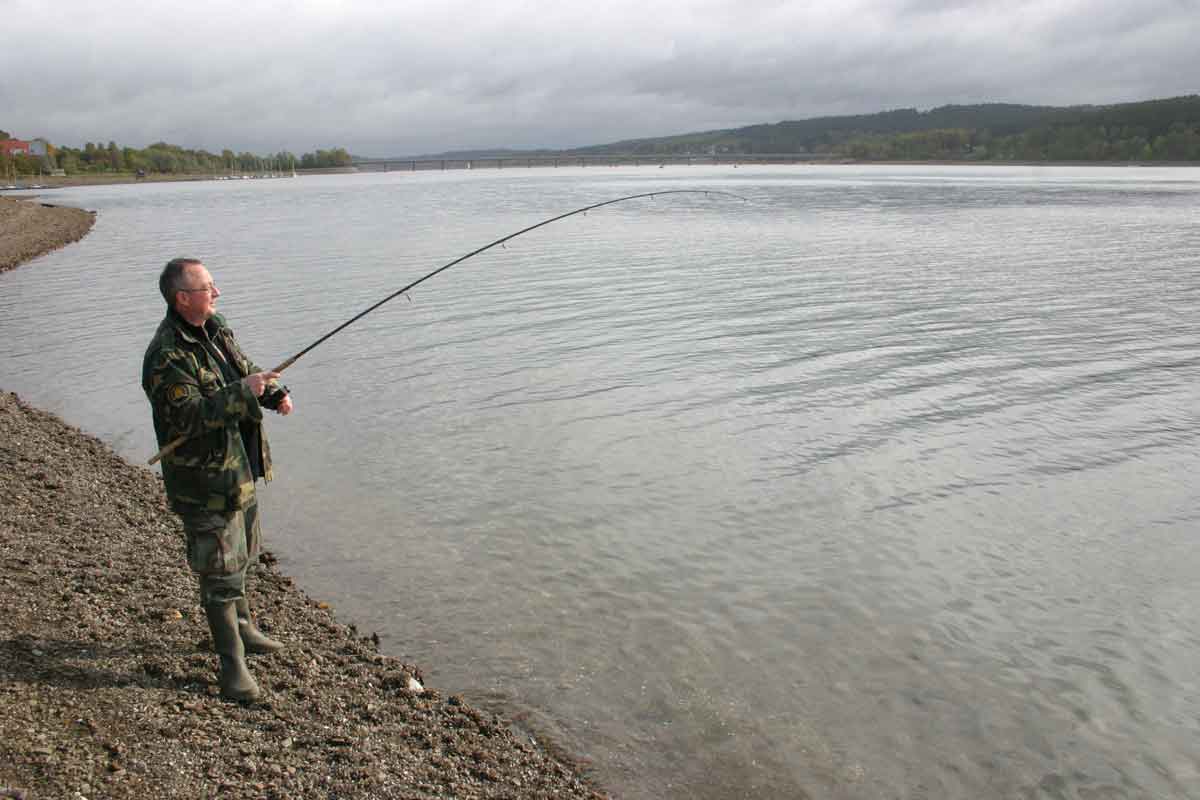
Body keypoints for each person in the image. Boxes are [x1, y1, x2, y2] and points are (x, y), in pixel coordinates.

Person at [142, 257, 294, 701]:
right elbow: (188, 416)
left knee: (244, 556)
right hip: (205, 484)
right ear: (182, 298)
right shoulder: (165, 355)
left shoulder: (216, 326)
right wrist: (242, 392)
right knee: (219, 573)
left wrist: (273, 393)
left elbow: (243, 369)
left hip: (240, 471)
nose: (217, 293)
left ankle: (245, 629)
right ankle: (232, 668)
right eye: (209, 287)